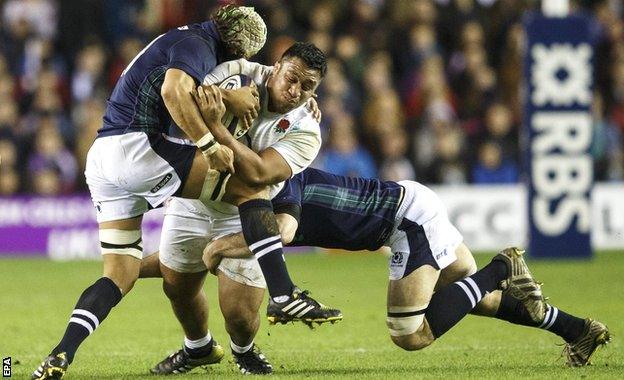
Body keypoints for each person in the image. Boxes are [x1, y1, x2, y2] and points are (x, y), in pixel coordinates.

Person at [32, 5, 267, 379]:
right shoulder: (199, 44)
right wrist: (209, 145)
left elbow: (190, 90)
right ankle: (284, 281)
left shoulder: (186, 38)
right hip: (137, 147)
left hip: (104, 158)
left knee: (119, 274)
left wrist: (227, 101)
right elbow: (175, 90)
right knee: (252, 183)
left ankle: (61, 352)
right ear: (239, 51)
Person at [192, 167, 609, 369]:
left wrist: (218, 249)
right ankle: (578, 330)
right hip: (411, 204)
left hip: (405, 221)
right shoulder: (270, 183)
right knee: (470, 300)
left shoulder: (285, 181)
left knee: (410, 334)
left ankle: (501, 266)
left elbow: (280, 233)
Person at [145, 42, 341, 376]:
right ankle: (198, 347)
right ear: (276, 66)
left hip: (245, 214)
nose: (295, 91)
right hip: (194, 199)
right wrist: (226, 98)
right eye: (292, 78)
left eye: (308, 87)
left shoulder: (307, 129)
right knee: (177, 288)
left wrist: (217, 126)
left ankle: (244, 351)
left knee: (239, 314)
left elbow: (257, 175)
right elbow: (184, 98)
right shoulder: (238, 72)